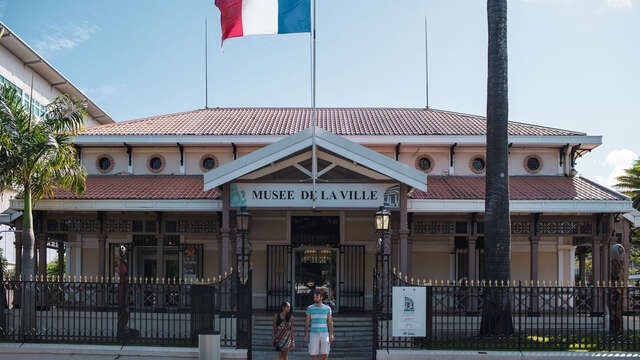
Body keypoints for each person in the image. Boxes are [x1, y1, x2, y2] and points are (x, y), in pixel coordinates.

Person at [304, 290, 334, 360]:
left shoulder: (327, 308)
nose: (315, 299)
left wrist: (331, 334)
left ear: (321, 298)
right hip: (313, 333)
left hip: (325, 333)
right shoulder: (310, 308)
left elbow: (330, 322)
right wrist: (306, 334)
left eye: (317, 297)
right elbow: (307, 322)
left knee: (325, 352)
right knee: (314, 353)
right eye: (314, 297)